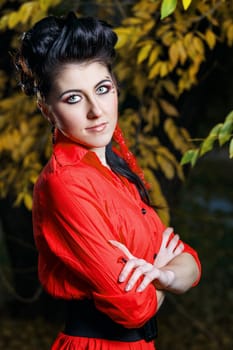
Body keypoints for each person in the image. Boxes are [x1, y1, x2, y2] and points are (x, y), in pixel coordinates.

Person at [15, 12, 201, 350]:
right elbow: (134, 308)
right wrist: (163, 274)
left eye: (102, 89)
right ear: (46, 109)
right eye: (74, 98)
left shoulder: (117, 173)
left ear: (115, 87)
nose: (96, 111)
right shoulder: (65, 184)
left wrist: (166, 275)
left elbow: (189, 260)